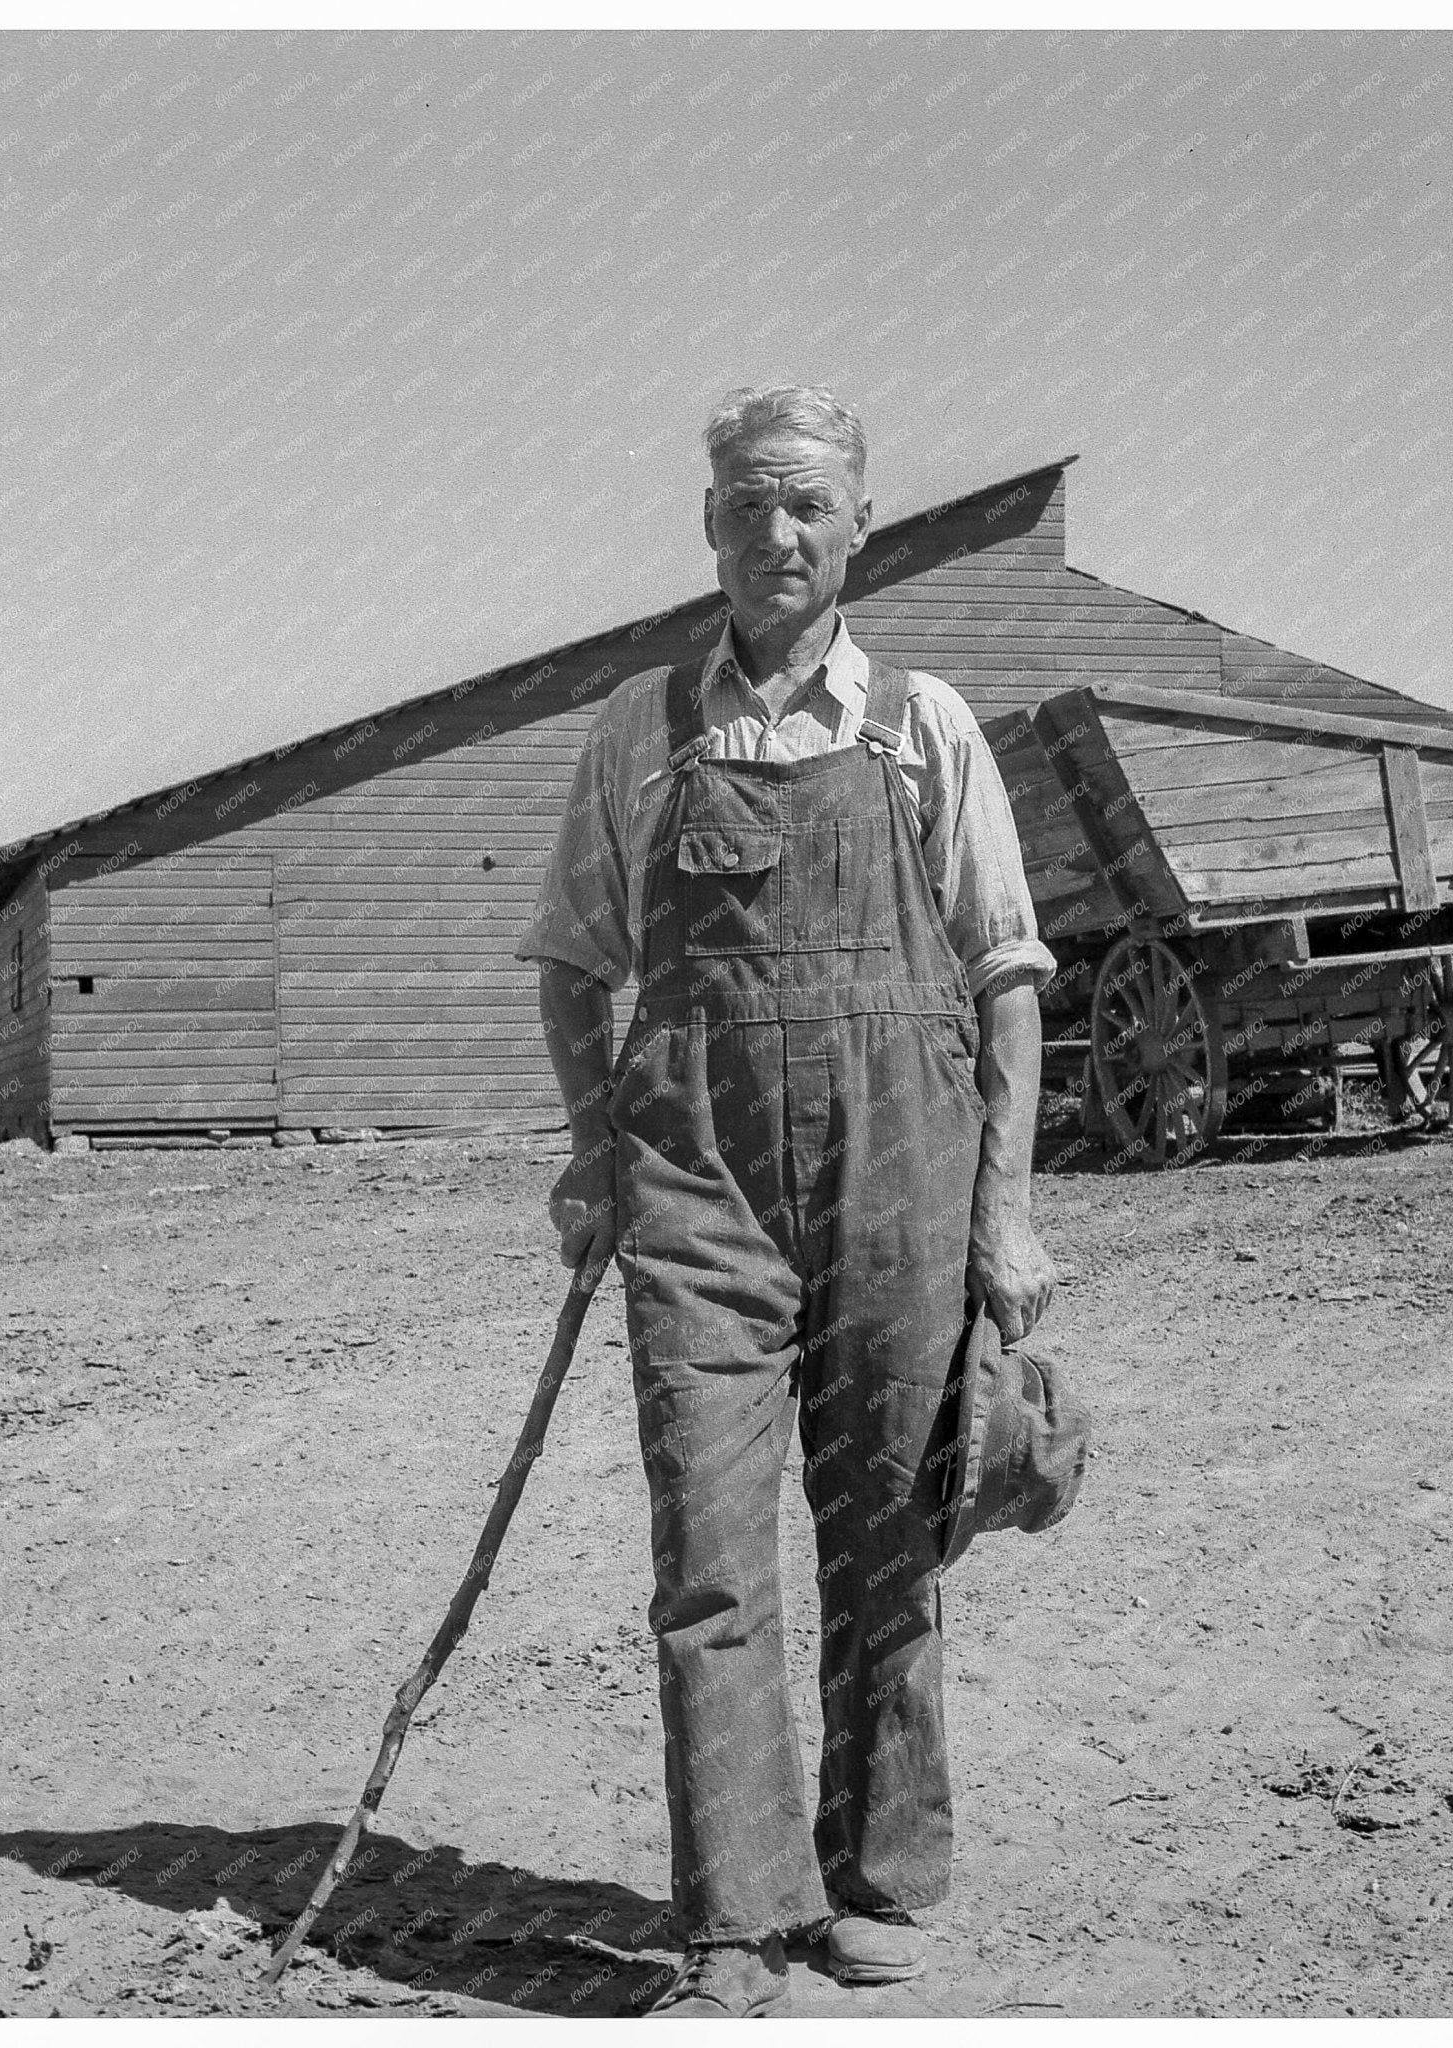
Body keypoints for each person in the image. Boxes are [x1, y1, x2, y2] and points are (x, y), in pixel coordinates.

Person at [518, 385, 1057, 2016]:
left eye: (808, 505)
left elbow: (1011, 979)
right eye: (750, 504)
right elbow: (570, 968)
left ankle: (881, 1873)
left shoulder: (924, 730)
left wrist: (1007, 1214)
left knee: (891, 1534)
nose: (778, 535)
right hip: (699, 1192)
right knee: (707, 1552)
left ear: (858, 530)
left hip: (904, 1172)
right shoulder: (640, 732)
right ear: (710, 526)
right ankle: (734, 1925)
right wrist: (595, 1151)